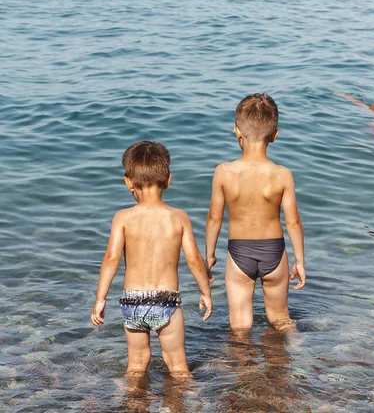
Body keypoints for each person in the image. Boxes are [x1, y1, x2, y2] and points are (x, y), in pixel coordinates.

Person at [91, 141, 212, 375]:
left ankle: (134, 404)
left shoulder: (123, 218)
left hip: (132, 302)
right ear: (168, 179)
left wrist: (100, 298)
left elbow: (111, 259)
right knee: (177, 366)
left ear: (128, 183)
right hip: (165, 300)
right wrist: (205, 293)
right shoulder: (178, 217)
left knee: (136, 365)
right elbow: (195, 260)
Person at [206, 93, 305, 331]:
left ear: (236, 131)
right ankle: (297, 358)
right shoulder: (282, 174)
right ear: (275, 136)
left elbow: (214, 219)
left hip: (239, 252)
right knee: (280, 318)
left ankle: (245, 368)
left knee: (240, 324)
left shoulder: (224, 172)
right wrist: (300, 261)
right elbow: (293, 222)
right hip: (274, 251)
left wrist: (208, 255)